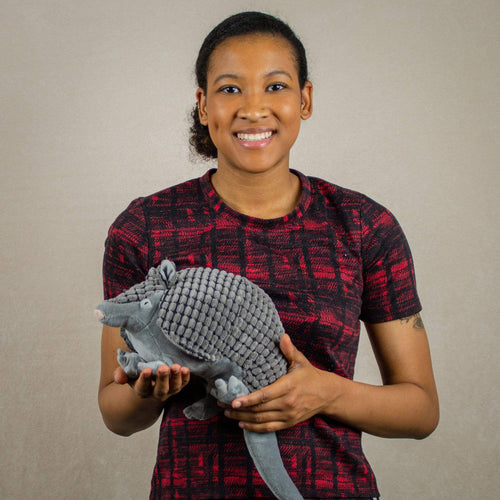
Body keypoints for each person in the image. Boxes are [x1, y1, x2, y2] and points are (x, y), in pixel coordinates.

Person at [98, 11, 439, 500]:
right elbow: (115, 411)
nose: (253, 108)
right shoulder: (144, 227)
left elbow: (421, 409)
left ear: (305, 100)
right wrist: (145, 393)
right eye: (231, 89)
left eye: (275, 87)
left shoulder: (364, 225)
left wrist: (328, 392)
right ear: (202, 104)